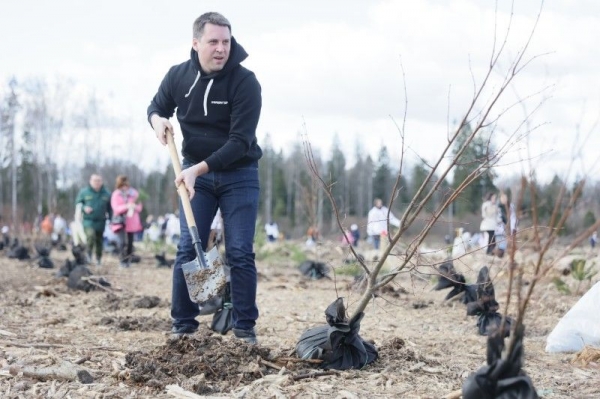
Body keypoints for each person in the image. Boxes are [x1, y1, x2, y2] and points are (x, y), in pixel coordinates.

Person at [147, 12, 262, 344]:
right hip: (193, 173)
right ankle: (183, 325)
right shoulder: (178, 77)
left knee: (239, 250)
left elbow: (240, 142)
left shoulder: (245, 82)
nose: (221, 49)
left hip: (239, 173)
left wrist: (197, 170)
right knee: (188, 248)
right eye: (213, 41)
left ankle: (244, 328)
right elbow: (156, 106)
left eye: (226, 42)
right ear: (196, 43)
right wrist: (156, 120)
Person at [75, 174, 111, 266]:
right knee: (90, 236)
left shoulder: (106, 193)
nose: (97, 183)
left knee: (99, 240)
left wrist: (111, 220)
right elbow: (78, 203)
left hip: (101, 221)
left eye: (98, 180)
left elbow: (110, 208)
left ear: (101, 182)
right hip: (88, 220)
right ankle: (89, 255)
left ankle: (98, 258)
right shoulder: (84, 192)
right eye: (95, 180)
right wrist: (84, 208)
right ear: (90, 181)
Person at [110, 175, 144, 267]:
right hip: (120, 222)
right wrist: (127, 206)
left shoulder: (134, 193)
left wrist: (134, 206)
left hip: (131, 222)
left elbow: (139, 207)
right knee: (122, 242)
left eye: (126, 185)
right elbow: (116, 208)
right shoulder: (116, 194)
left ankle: (128, 260)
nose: (125, 187)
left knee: (130, 243)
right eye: (122, 185)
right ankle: (122, 260)